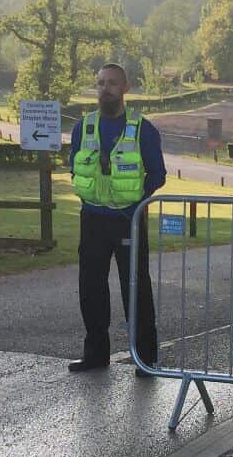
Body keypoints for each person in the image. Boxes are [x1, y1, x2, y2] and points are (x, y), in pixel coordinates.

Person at [66, 63, 166, 375]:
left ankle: (145, 358)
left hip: (128, 220)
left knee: (135, 287)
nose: (104, 88)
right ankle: (95, 354)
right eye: (99, 82)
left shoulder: (143, 129)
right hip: (93, 219)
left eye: (111, 83)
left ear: (125, 88)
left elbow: (158, 174)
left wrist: (134, 199)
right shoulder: (83, 127)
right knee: (90, 287)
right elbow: (75, 167)